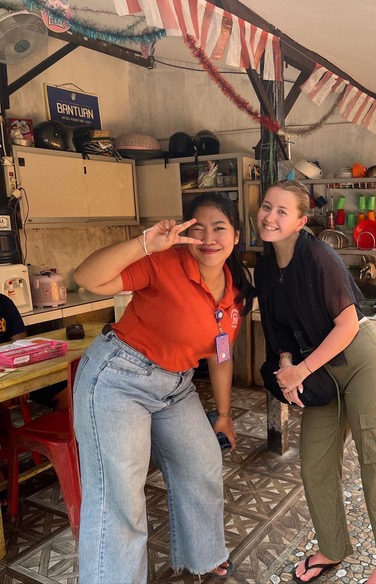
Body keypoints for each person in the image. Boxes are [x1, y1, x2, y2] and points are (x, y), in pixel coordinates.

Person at [72, 192, 255, 583]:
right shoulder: (163, 262)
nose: (209, 238)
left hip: (176, 386)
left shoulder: (235, 288)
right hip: (119, 379)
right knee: (121, 496)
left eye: (220, 228)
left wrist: (223, 415)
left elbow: (220, 354)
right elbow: (87, 279)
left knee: (202, 462)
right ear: (186, 232)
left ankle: (203, 555)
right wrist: (144, 243)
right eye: (198, 228)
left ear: (237, 235)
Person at [254, 180, 376, 584]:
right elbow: (277, 329)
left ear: (300, 221)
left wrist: (302, 370)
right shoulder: (265, 267)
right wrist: (286, 367)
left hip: (361, 363)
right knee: (315, 465)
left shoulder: (318, 256)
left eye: (282, 211)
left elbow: (347, 325)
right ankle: (332, 547)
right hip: (319, 374)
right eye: (267, 207)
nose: (270, 217)